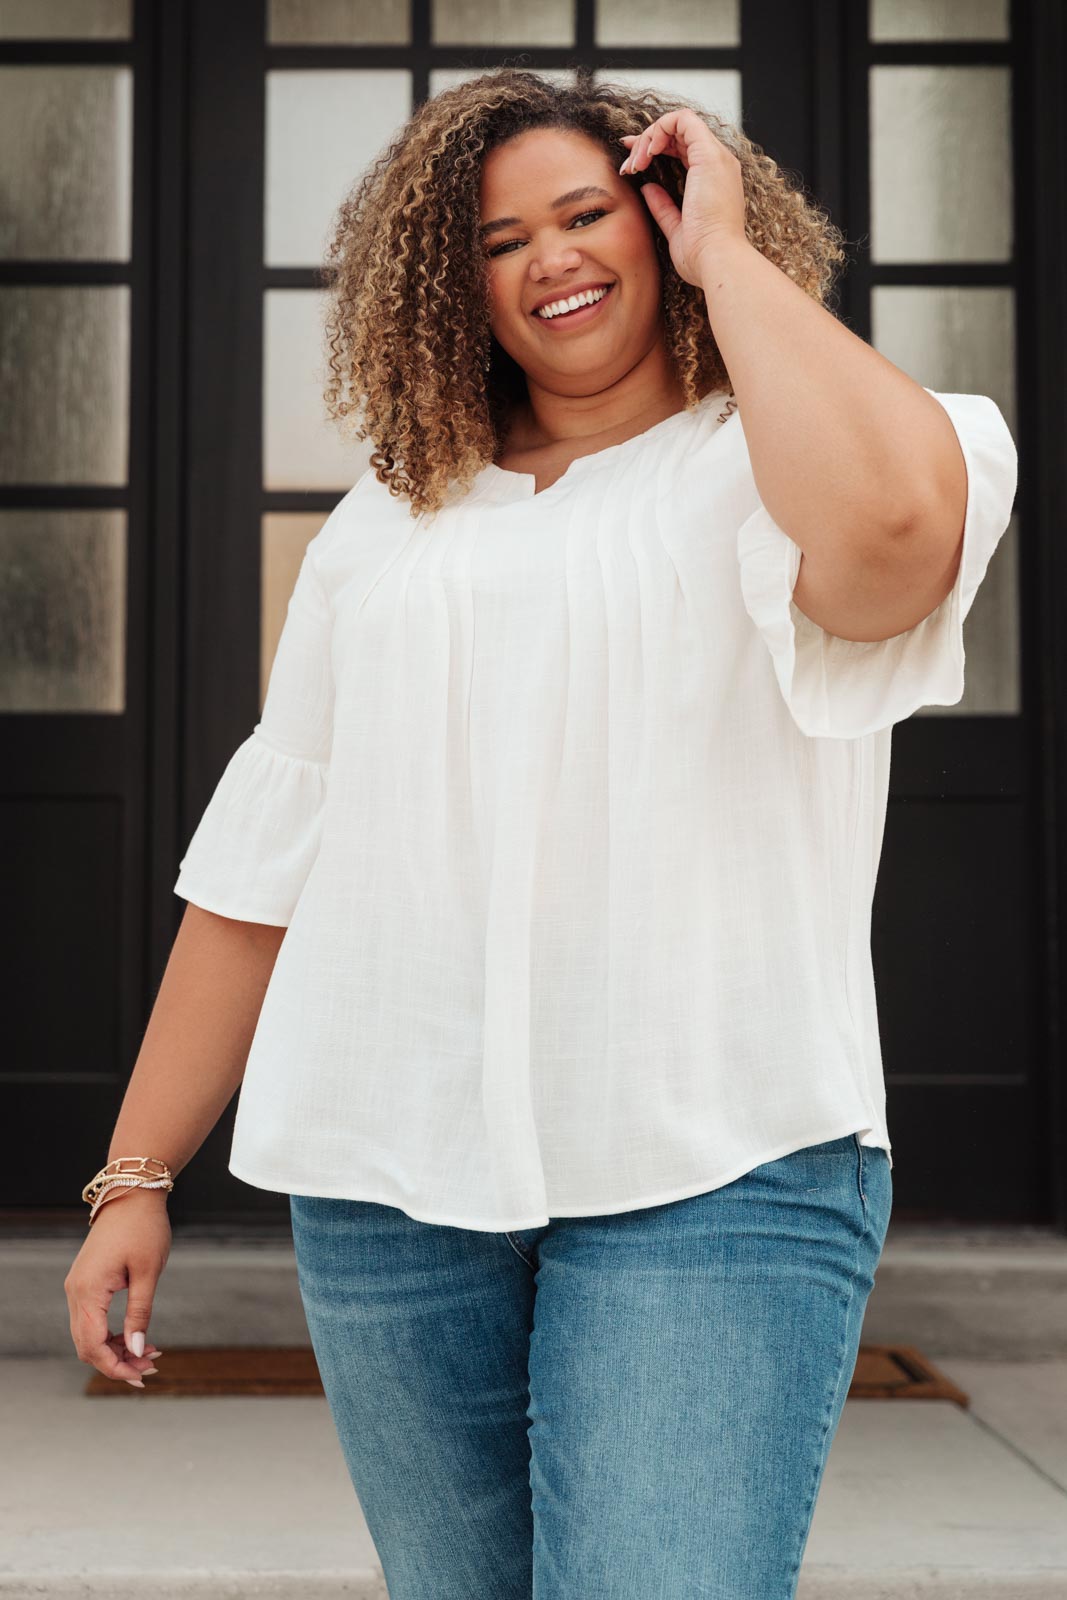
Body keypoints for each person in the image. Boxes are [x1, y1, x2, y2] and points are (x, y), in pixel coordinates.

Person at [65, 68, 1017, 1599]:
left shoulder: (776, 462)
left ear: (664, 223)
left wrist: (729, 256)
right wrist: (135, 1173)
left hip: (717, 1171)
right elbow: (268, 858)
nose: (550, 259)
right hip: (389, 1185)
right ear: (453, 286)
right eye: (499, 241)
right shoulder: (389, 523)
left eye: (587, 214)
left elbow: (896, 539)